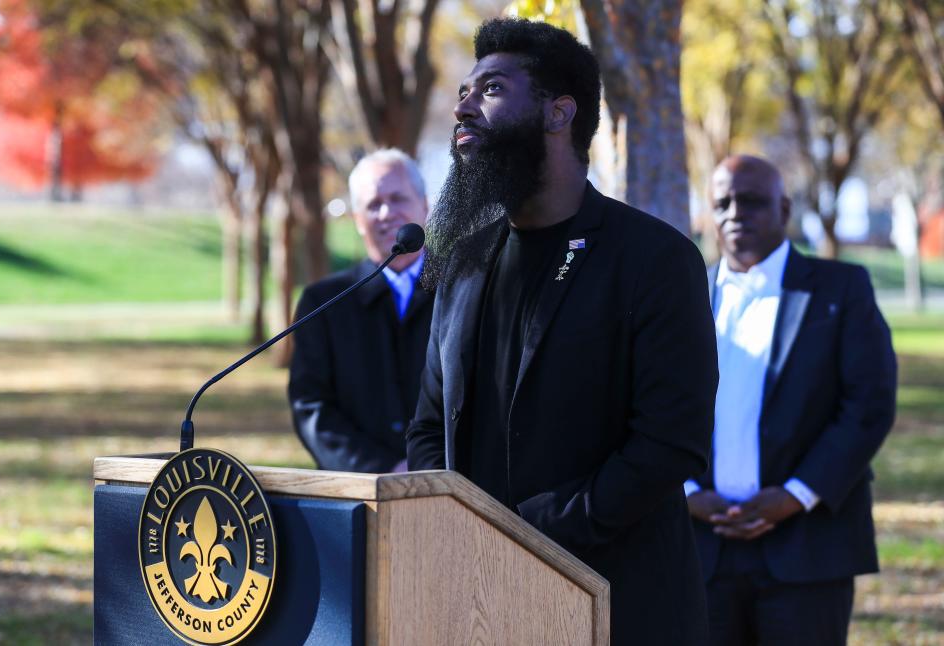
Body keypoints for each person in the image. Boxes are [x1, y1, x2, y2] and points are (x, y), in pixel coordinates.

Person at [406, 18, 718, 645]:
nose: (464, 106)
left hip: (618, 601)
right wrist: (468, 534)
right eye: (465, 91)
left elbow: (670, 443)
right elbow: (427, 429)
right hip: (476, 602)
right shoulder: (464, 259)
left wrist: (528, 532)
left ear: (558, 113)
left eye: (490, 89)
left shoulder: (654, 259)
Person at [685, 155, 897, 646]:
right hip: (700, 550)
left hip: (808, 548)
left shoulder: (842, 290)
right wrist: (689, 494)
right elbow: (648, 402)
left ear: (784, 209)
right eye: (723, 203)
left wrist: (796, 494)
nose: (736, 213)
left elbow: (869, 405)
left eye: (753, 201)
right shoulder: (684, 293)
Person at [288, 149, 433, 473]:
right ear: (356, 219)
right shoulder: (323, 302)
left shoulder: (465, 288)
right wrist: (381, 468)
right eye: (372, 204)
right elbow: (311, 407)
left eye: (398, 198)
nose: (386, 213)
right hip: (359, 492)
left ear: (424, 205)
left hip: (455, 489)